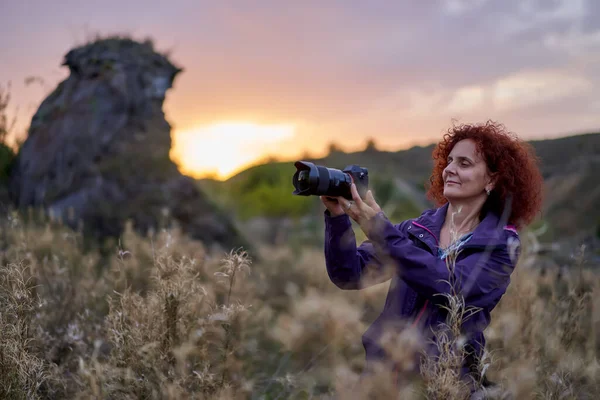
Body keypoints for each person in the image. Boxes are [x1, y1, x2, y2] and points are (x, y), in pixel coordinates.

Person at [321, 121, 543, 390]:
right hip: (381, 381)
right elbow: (349, 274)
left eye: (464, 163)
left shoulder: (500, 245)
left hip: (443, 385)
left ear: (492, 179)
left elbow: (452, 288)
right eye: (449, 161)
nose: (450, 169)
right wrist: (337, 217)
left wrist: (380, 230)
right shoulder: (416, 230)